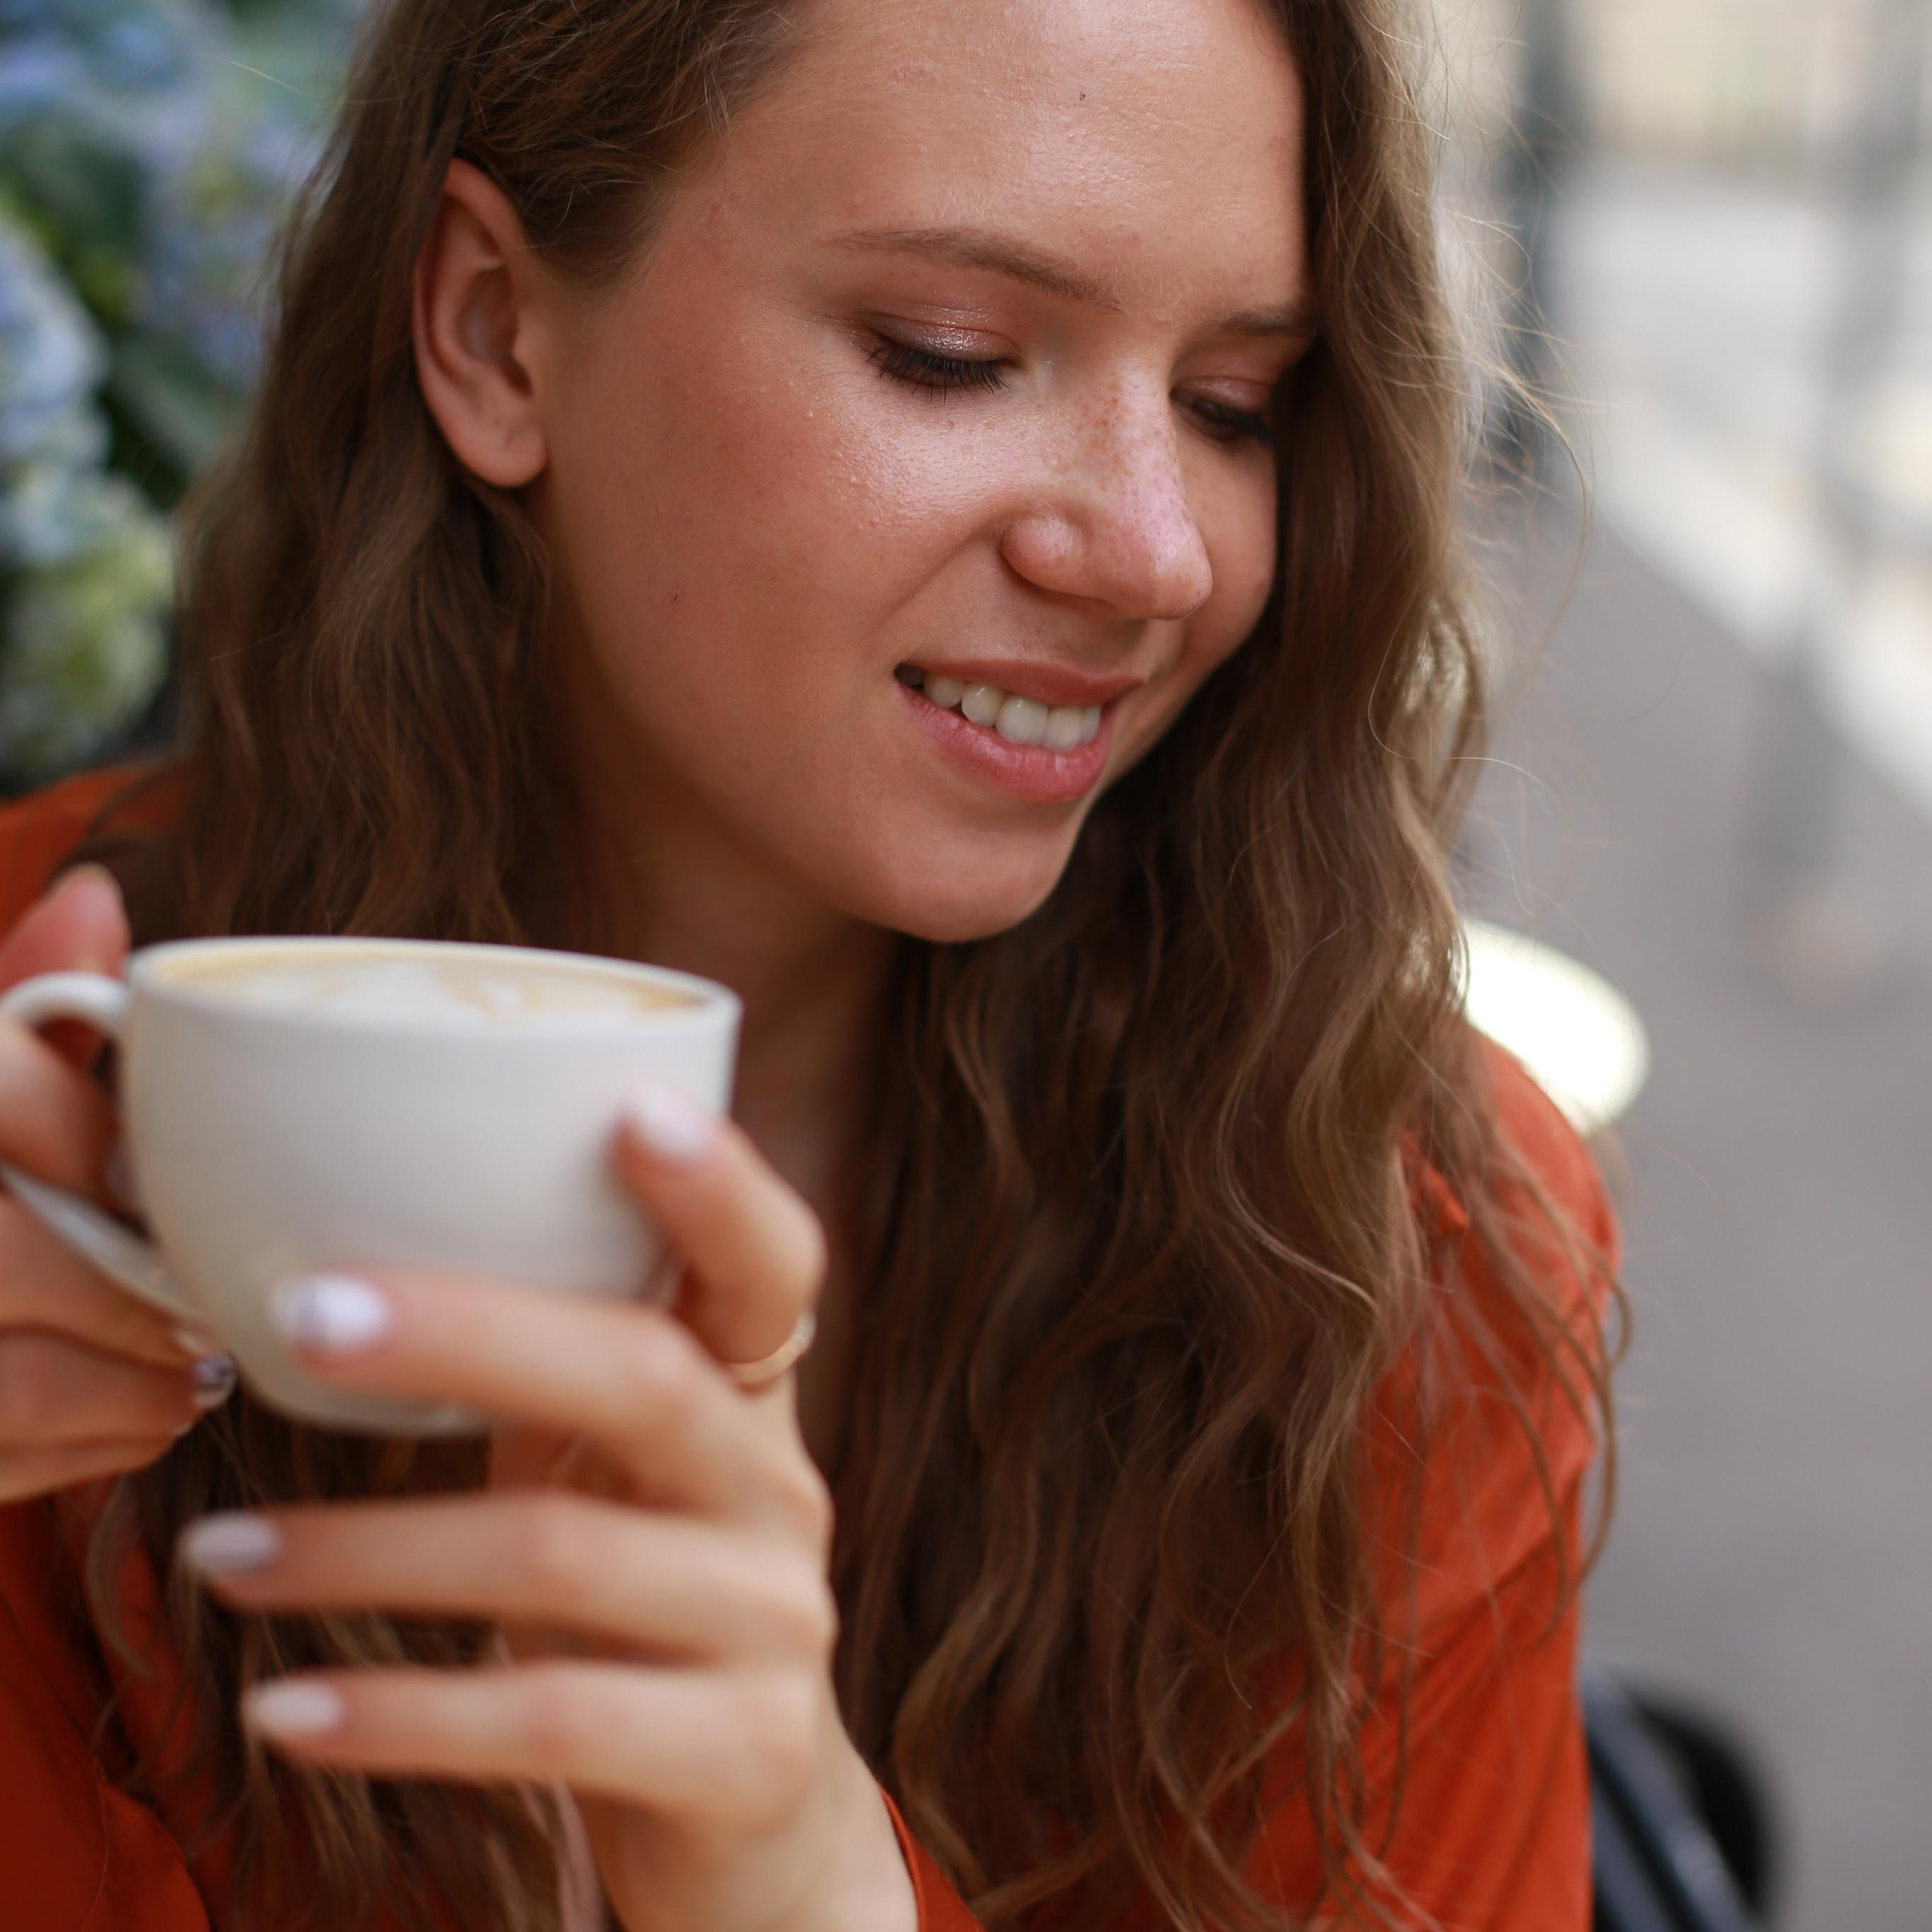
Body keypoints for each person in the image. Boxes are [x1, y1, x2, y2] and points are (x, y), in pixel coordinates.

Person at [0, 0, 1623, 1926]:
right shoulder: (47, 1070)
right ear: (492, 328)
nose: (1154, 550)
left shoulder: (1402, 1233)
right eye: (949, 355)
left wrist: (805, 1884)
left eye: (1233, 404)